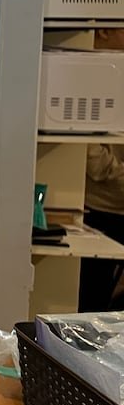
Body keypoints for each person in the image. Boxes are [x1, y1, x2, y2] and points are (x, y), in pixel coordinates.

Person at [80, 28, 124, 311]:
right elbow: (90, 154)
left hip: (113, 204)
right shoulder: (87, 74)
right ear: (105, 31)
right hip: (101, 208)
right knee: (92, 301)